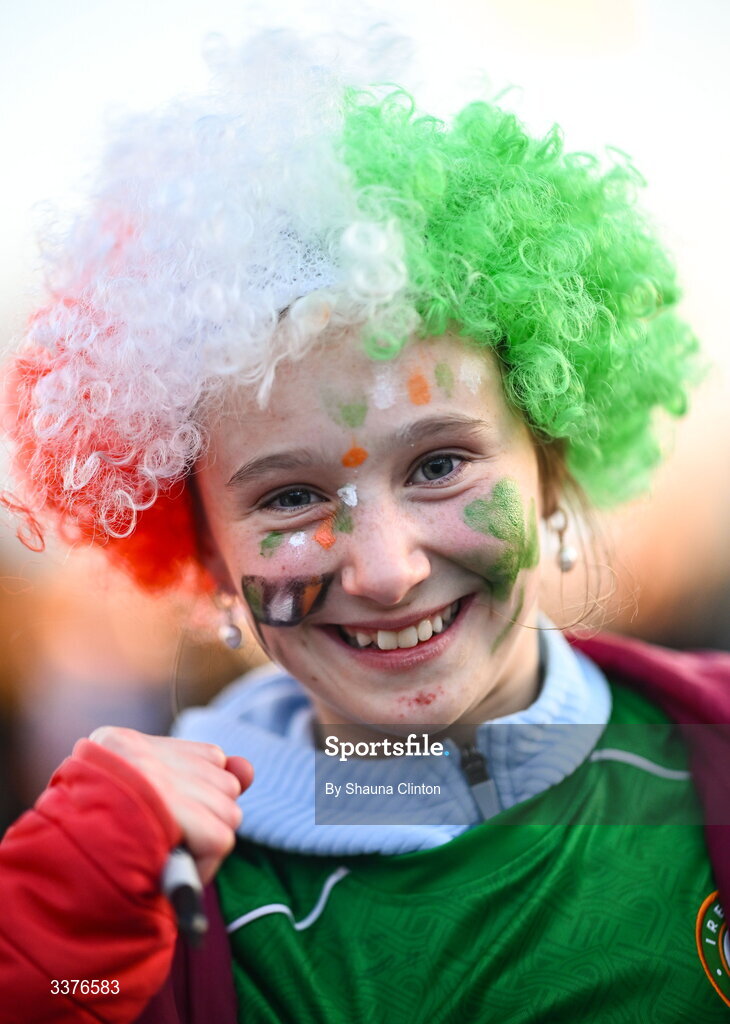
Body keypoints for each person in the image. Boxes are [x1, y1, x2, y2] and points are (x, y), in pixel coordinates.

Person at [2, 27, 730, 1024]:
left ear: (551, 461)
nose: (386, 572)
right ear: (207, 549)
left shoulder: (707, 756)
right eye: (290, 497)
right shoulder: (151, 901)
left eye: (439, 464)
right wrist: (43, 952)